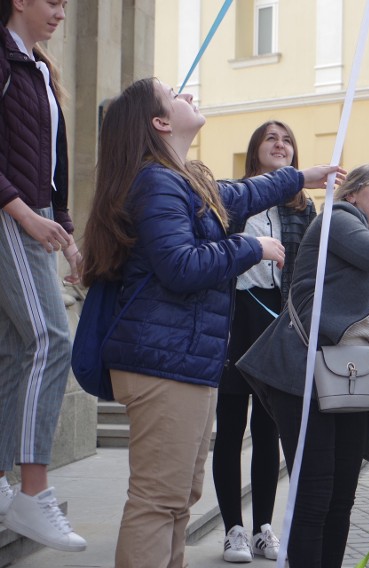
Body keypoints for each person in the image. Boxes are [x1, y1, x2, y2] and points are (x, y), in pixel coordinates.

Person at [80, 77, 343, 568]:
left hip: (184, 363)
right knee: (158, 500)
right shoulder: (156, 181)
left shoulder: (181, 179)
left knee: (178, 500)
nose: (188, 95)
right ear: (160, 123)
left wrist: (299, 176)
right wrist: (251, 247)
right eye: (173, 95)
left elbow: (240, 193)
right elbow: (181, 266)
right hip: (164, 365)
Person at [238, 164, 369, 567]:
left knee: (341, 499)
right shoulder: (337, 221)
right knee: (316, 494)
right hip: (303, 375)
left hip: (348, 381)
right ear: (352, 193)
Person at [0, 0, 87, 552]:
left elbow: (52, 166)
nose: (61, 10)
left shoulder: (39, 68)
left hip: (36, 219)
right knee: (52, 340)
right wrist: (26, 214)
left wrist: (66, 229)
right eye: (52, 0)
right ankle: (33, 491)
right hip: (12, 218)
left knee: (15, 351)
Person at [213, 120, 315, 563]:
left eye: (287, 139)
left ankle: (263, 528)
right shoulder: (232, 197)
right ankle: (233, 529)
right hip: (235, 316)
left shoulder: (301, 207)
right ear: (255, 151)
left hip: (278, 318)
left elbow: (311, 266)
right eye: (271, 139)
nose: (280, 144)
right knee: (232, 424)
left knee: (269, 426)